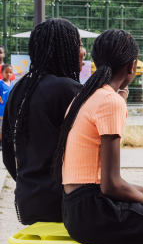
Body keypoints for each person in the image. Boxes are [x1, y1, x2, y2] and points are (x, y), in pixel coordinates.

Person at [52, 29, 143, 244]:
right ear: (132, 66)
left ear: (96, 62)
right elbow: (111, 184)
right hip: (95, 212)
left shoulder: (86, 96)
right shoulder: (110, 101)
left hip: (75, 209)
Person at [2, 19, 84, 225]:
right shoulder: (68, 89)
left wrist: (29, 185)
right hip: (63, 203)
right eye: (79, 44)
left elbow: (8, 153)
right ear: (64, 49)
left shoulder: (19, 88)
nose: (83, 51)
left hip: (28, 201)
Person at [0, 64, 13, 150]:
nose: (8, 74)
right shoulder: (0, 83)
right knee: (1, 127)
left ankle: (8, 141)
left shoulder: (12, 84)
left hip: (10, 110)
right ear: (1, 73)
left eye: (10, 72)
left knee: (9, 126)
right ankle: (1, 143)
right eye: (6, 72)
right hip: (1, 110)